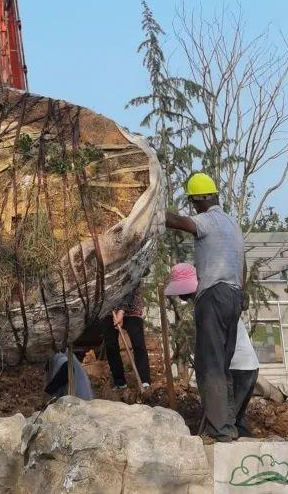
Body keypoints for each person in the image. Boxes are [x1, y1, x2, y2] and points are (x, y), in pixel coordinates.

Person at [165, 173, 245, 442]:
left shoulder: (206, 221)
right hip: (234, 296)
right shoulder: (232, 224)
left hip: (213, 295)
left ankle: (219, 431)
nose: (193, 208)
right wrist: (241, 293)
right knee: (222, 364)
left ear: (199, 200)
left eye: (193, 202)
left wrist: (153, 210)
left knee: (209, 364)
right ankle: (229, 426)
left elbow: (176, 221)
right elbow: (242, 264)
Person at [101, 282, 151, 393]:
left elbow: (131, 285)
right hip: (109, 307)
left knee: (138, 344)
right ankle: (120, 383)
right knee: (110, 345)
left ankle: (145, 382)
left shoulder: (132, 267)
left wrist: (122, 311)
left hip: (132, 304)